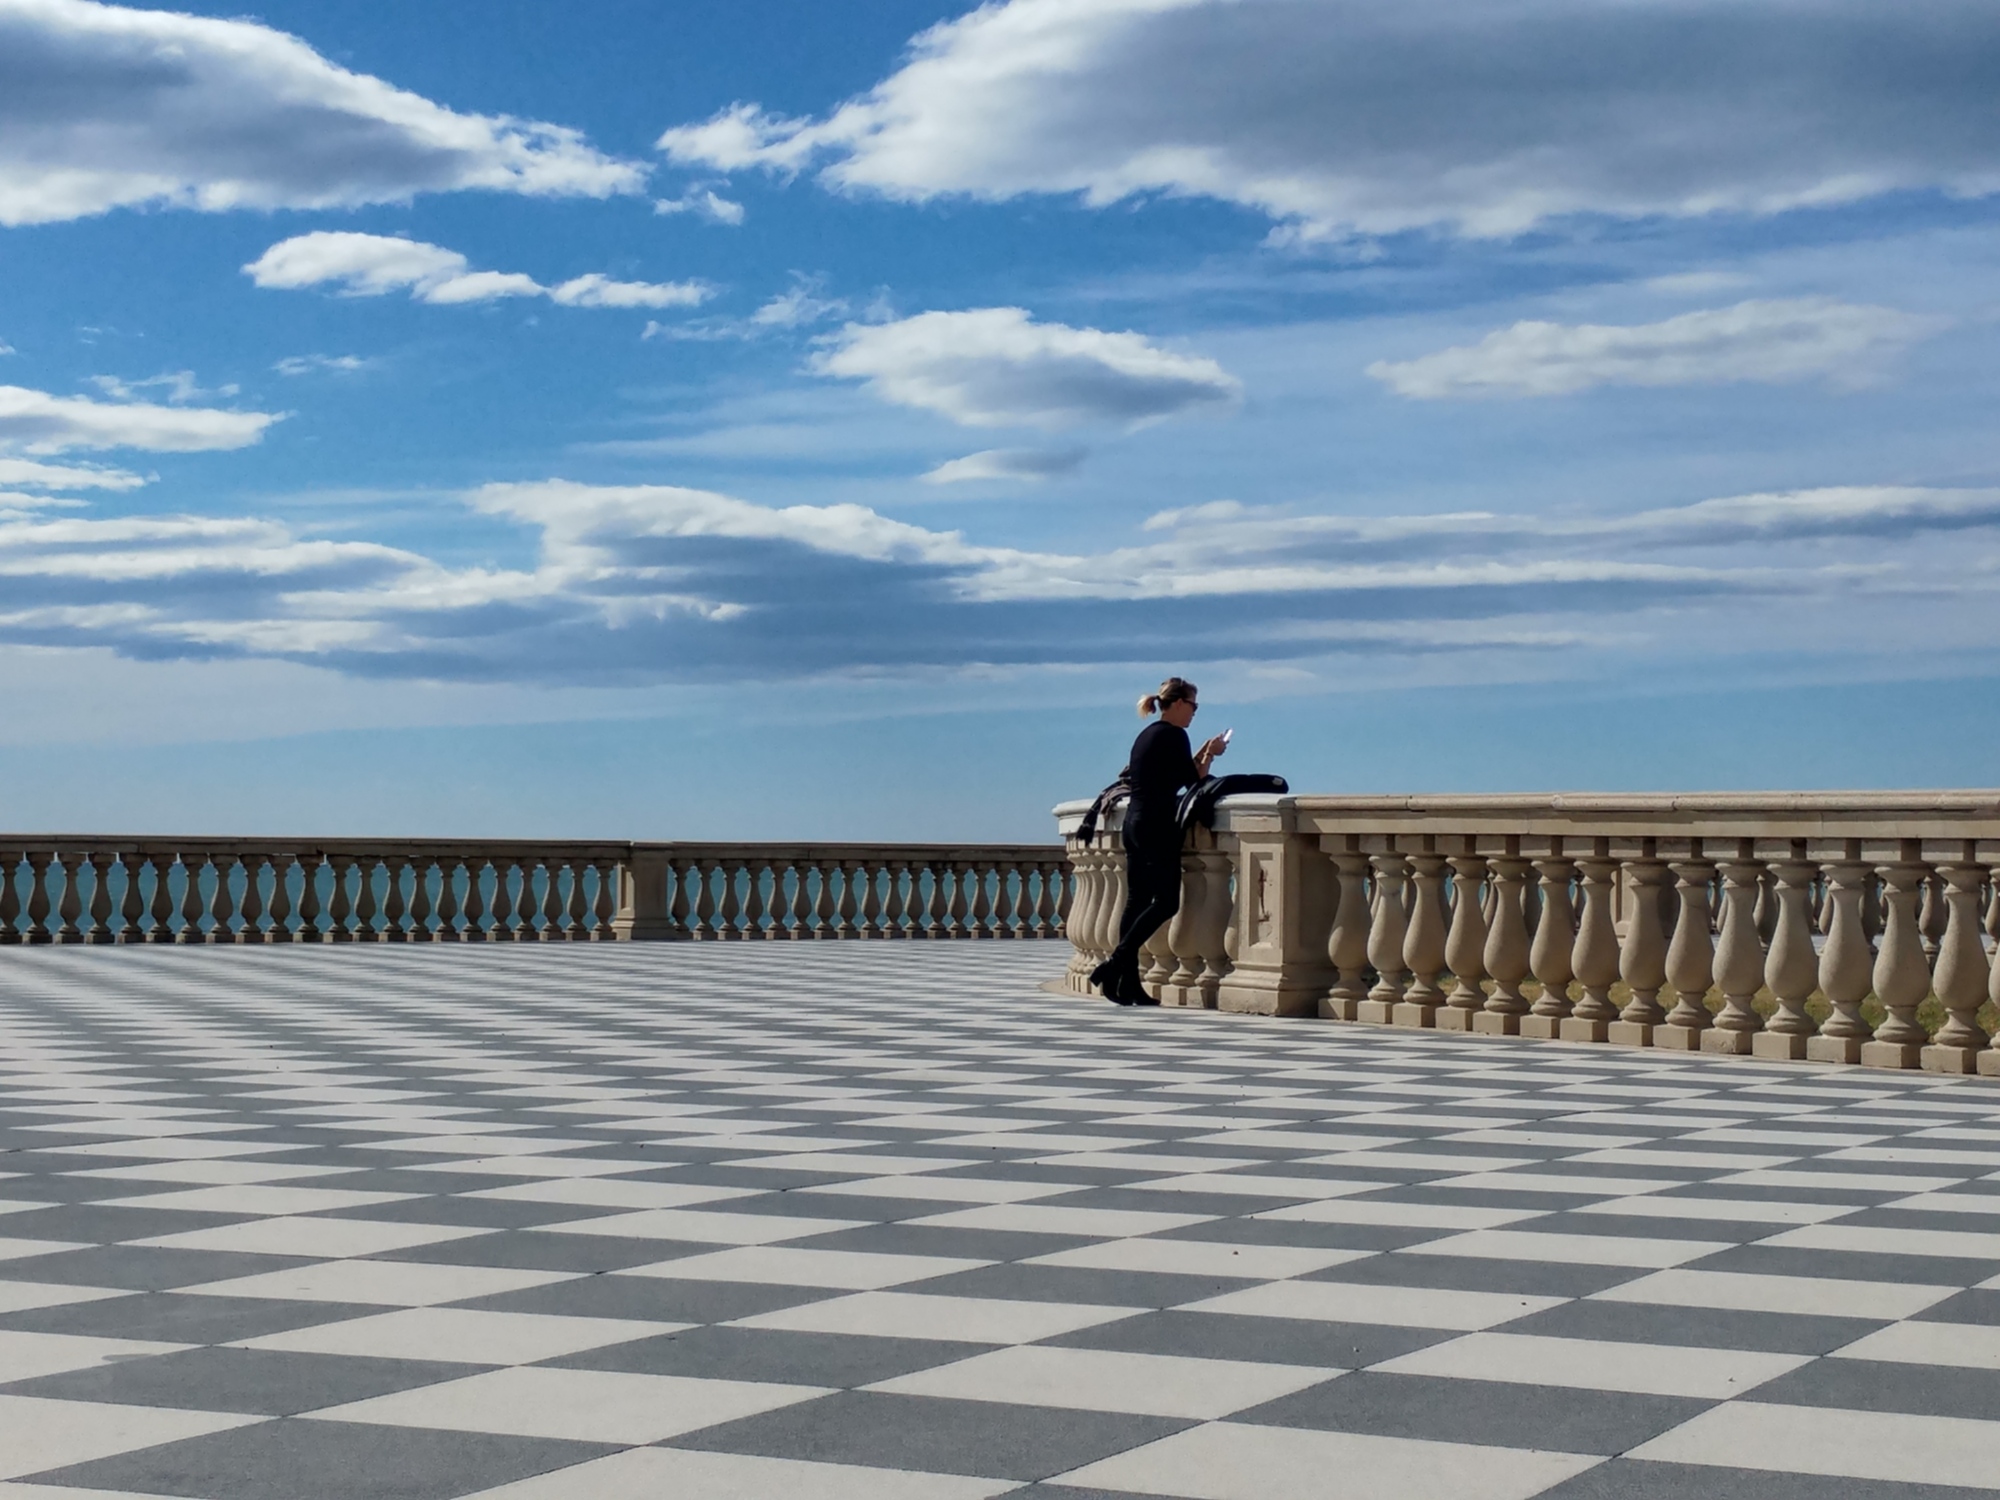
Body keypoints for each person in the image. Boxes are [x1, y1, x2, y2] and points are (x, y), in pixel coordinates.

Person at [1090, 676, 1226, 1005]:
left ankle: (1125, 984)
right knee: (1167, 902)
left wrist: (1203, 753)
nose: (1194, 712)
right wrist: (1213, 754)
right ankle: (1113, 966)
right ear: (1178, 703)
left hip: (1134, 824)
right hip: (1156, 826)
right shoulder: (1175, 735)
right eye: (1193, 705)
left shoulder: (1147, 735)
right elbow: (1194, 782)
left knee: (1137, 901)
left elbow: (1173, 775)